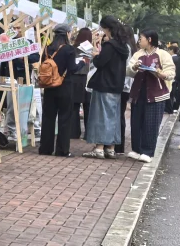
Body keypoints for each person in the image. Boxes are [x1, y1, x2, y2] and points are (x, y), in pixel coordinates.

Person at [82, 16, 131, 158]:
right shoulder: (123, 46)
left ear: (107, 28)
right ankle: (110, 148)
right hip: (117, 85)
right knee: (113, 117)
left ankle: (99, 148)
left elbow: (100, 63)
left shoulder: (110, 46)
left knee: (101, 116)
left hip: (104, 84)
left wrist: (96, 55)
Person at [127, 30, 173, 161]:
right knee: (136, 122)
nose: (139, 41)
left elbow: (171, 72)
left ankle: (148, 152)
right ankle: (136, 149)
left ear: (149, 39)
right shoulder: (138, 54)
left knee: (151, 123)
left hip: (156, 94)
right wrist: (134, 67)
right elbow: (128, 71)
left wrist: (161, 74)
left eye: (141, 38)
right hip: (138, 92)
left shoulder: (163, 54)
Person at [39, 26, 80, 156]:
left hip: (49, 87)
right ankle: (62, 150)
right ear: (67, 34)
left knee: (48, 118)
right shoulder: (69, 49)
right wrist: (82, 64)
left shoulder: (47, 48)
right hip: (65, 86)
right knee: (64, 118)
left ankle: (45, 148)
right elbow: (72, 68)